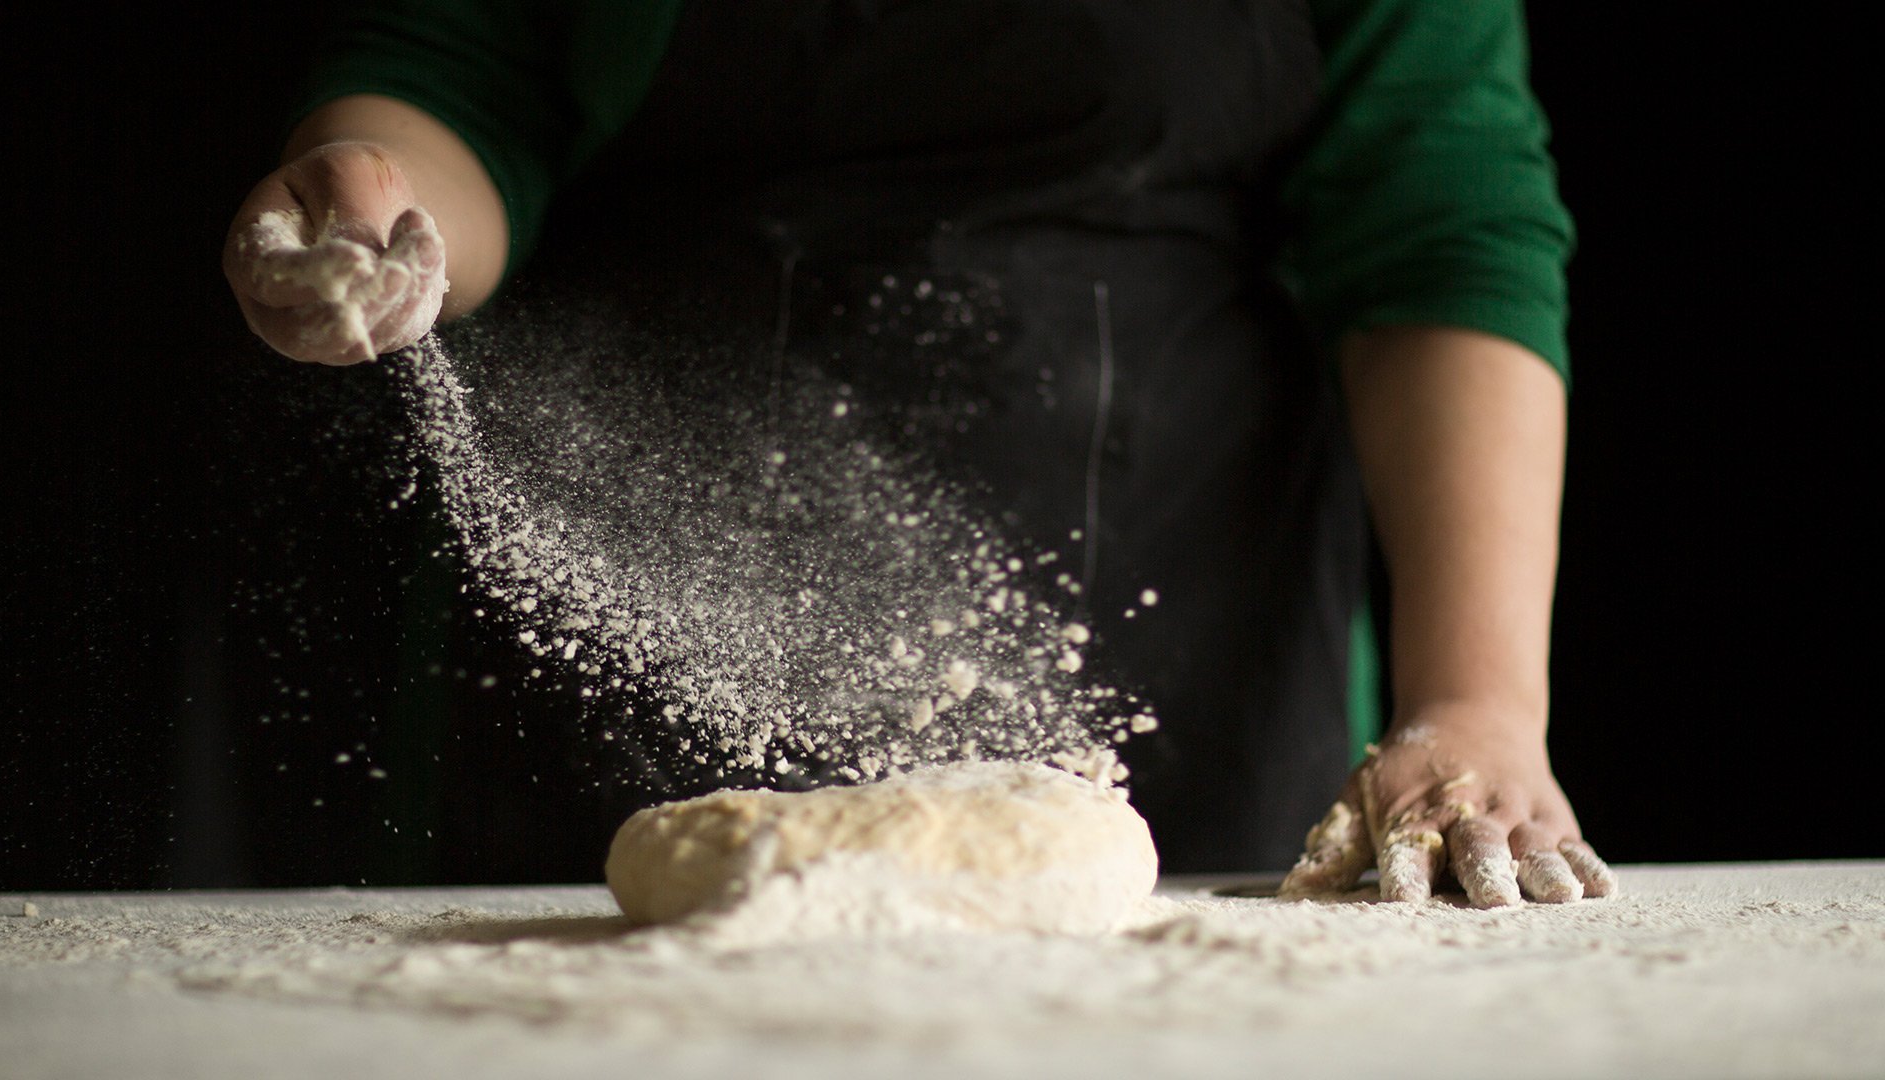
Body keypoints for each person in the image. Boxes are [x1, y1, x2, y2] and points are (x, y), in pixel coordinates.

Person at [223, 0, 1615, 904]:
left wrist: (1478, 700)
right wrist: (379, 214)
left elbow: (1444, 227)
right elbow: (462, 69)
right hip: (620, 686)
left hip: (1193, 687)